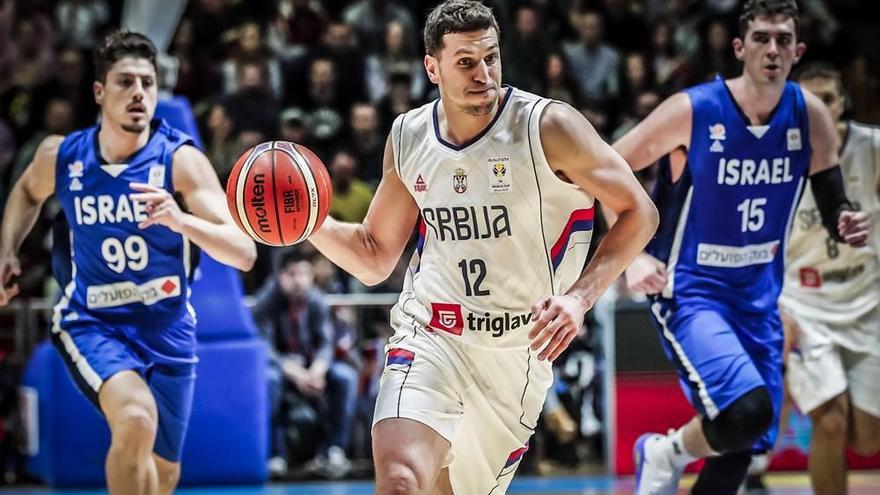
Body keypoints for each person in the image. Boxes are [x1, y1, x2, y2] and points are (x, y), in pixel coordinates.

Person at [307, 1, 659, 493]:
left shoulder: (549, 126)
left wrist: (580, 298)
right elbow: (373, 254)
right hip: (432, 334)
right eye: (465, 62)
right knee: (401, 479)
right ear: (433, 68)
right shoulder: (408, 136)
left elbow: (640, 211)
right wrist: (310, 224)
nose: (483, 74)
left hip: (518, 353)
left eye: (490, 58)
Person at [613, 2, 871, 494]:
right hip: (691, 290)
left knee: (746, 443)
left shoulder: (810, 117)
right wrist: (633, 254)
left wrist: (845, 221)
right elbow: (605, 170)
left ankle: (665, 453)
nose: (771, 49)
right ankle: (662, 452)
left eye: (782, 39)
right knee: (745, 411)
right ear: (739, 47)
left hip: (759, 299)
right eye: (761, 38)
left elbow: (832, 200)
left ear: (798, 50)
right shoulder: (695, 109)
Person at [0, 32, 256, 495]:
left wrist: (181, 221)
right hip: (93, 321)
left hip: (167, 325)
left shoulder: (179, 160)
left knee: (162, 476)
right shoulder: (63, 156)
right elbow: (24, 192)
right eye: (125, 82)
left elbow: (244, 251)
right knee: (136, 418)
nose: (139, 93)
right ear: (100, 92)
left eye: (147, 82)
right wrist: (7, 250)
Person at [778, 63, 880, 495]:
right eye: (810, 99)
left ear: (844, 103)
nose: (821, 106)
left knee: (868, 438)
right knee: (831, 418)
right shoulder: (776, 155)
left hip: (866, 297)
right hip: (802, 302)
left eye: (829, 97)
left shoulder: (872, 147)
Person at [252, 249, 358, 479]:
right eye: (292, 274)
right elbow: (266, 350)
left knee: (345, 377)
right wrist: (298, 374)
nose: (299, 280)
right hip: (282, 370)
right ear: (280, 276)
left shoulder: (317, 301)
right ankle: (275, 455)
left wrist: (317, 371)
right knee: (269, 380)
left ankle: (334, 449)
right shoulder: (267, 302)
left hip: (311, 370)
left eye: (303, 273)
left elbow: (325, 344)